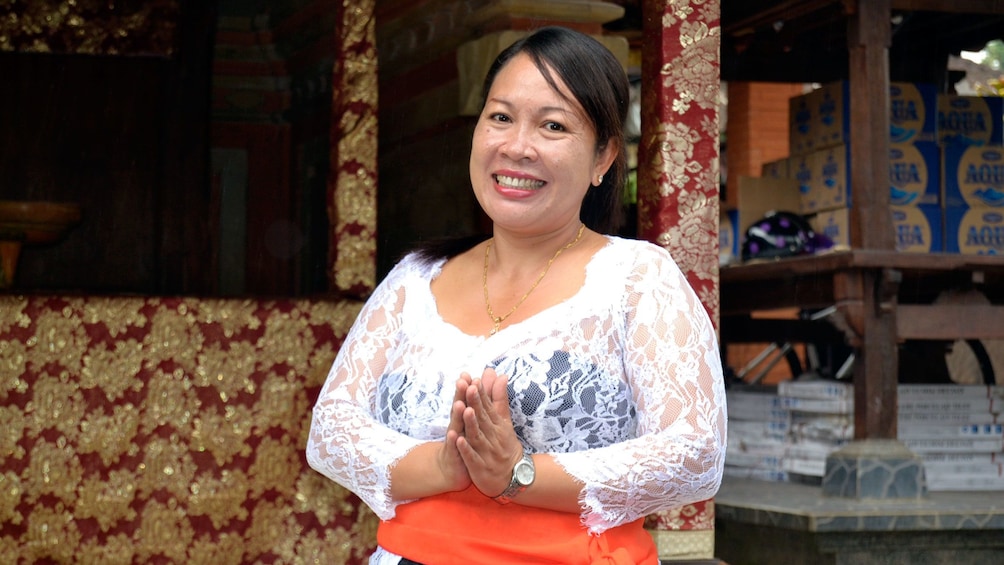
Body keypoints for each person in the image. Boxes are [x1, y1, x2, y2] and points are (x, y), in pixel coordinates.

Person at [306, 26, 727, 565]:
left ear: (602, 159)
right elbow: (331, 429)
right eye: (501, 117)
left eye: (553, 125)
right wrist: (441, 465)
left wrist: (518, 473)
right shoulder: (415, 280)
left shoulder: (638, 279)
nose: (517, 146)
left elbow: (694, 452)